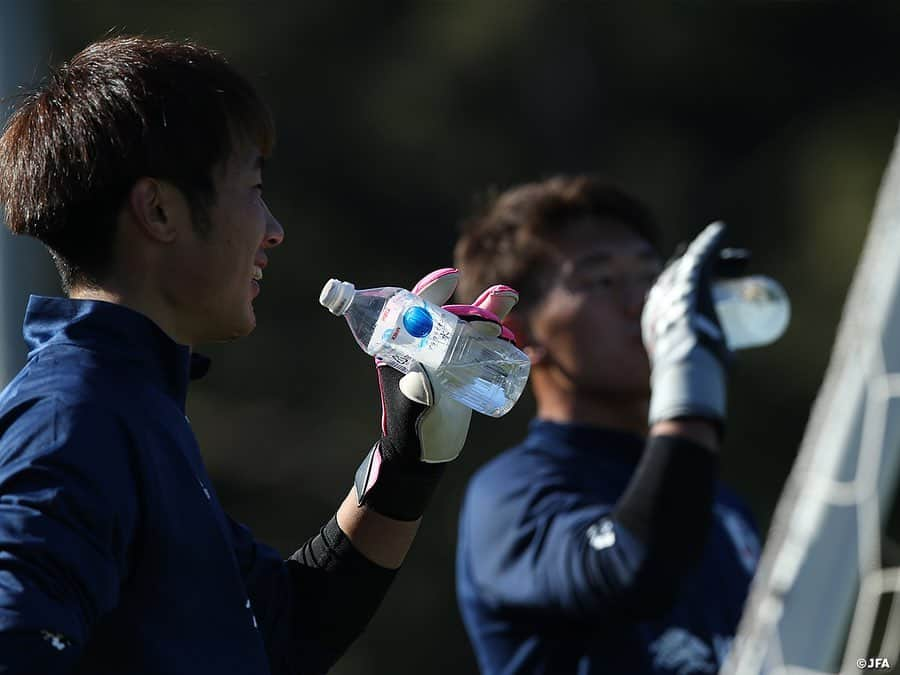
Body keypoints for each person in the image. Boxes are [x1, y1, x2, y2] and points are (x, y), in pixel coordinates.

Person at [0, 36, 521, 674]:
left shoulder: (131, 405)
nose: (272, 228)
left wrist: (406, 461)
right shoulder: (74, 417)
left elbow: (287, 632)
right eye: (252, 188)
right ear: (159, 210)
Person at [453, 176, 761, 674]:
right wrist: (691, 386)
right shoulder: (510, 496)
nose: (642, 303)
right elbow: (633, 568)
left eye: (650, 276)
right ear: (520, 334)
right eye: (603, 281)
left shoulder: (722, 503)